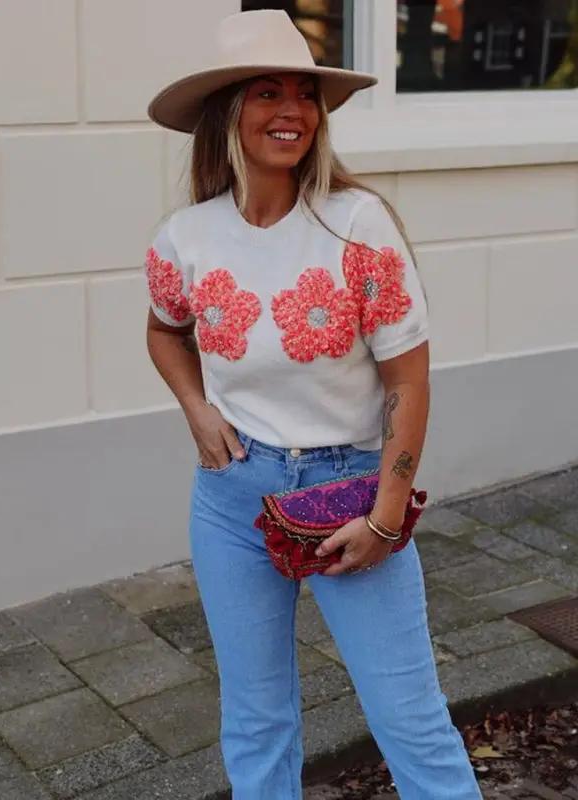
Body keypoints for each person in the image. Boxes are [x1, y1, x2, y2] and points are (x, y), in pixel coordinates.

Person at [144, 9, 483, 800]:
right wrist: (197, 407)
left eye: (304, 93)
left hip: (351, 496)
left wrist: (386, 518)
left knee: (409, 718)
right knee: (255, 719)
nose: (292, 110)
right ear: (228, 113)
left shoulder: (357, 226)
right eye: (267, 92)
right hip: (232, 500)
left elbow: (408, 382)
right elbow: (164, 332)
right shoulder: (184, 237)